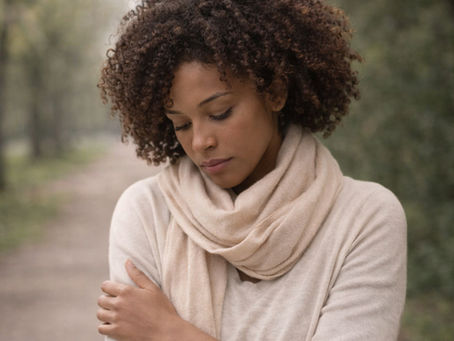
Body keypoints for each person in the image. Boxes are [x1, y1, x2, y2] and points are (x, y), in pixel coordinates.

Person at [96, 0, 407, 340]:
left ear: (274, 92)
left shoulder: (364, 217)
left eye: (220, 113)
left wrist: (169, 331)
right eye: (181, 124)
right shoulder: (147, 213)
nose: (200, 142)